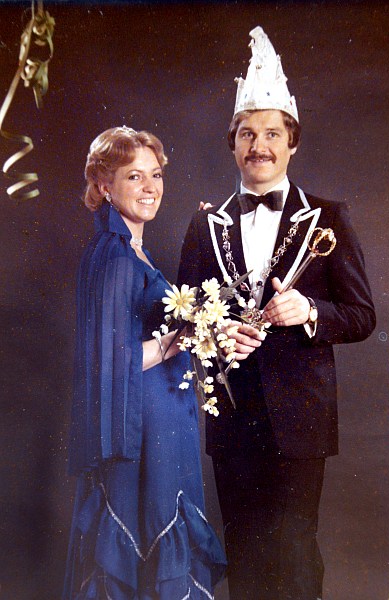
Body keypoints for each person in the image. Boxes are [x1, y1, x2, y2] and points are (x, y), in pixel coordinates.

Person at [178, 27, 376, 600]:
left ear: (292, 144)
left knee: (294, 553)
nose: (258, 146)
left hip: (301, 420)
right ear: (232, 145)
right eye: (247, 134)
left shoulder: (328, 218)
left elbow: (361, 315)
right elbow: (184, 316)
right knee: (243, 554)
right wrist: (216, 334)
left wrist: (309, 309)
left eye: (271, 134)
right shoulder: (205, 224)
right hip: (233, 417)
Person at [63, 126, 226, 600]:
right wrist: (182, 338)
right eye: (134, 176)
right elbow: (113, 364)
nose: (151, 187)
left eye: (155, 174)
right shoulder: (116, 256)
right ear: (103, 185)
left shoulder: (132, 250)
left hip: (160, 426)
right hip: (144, 432)